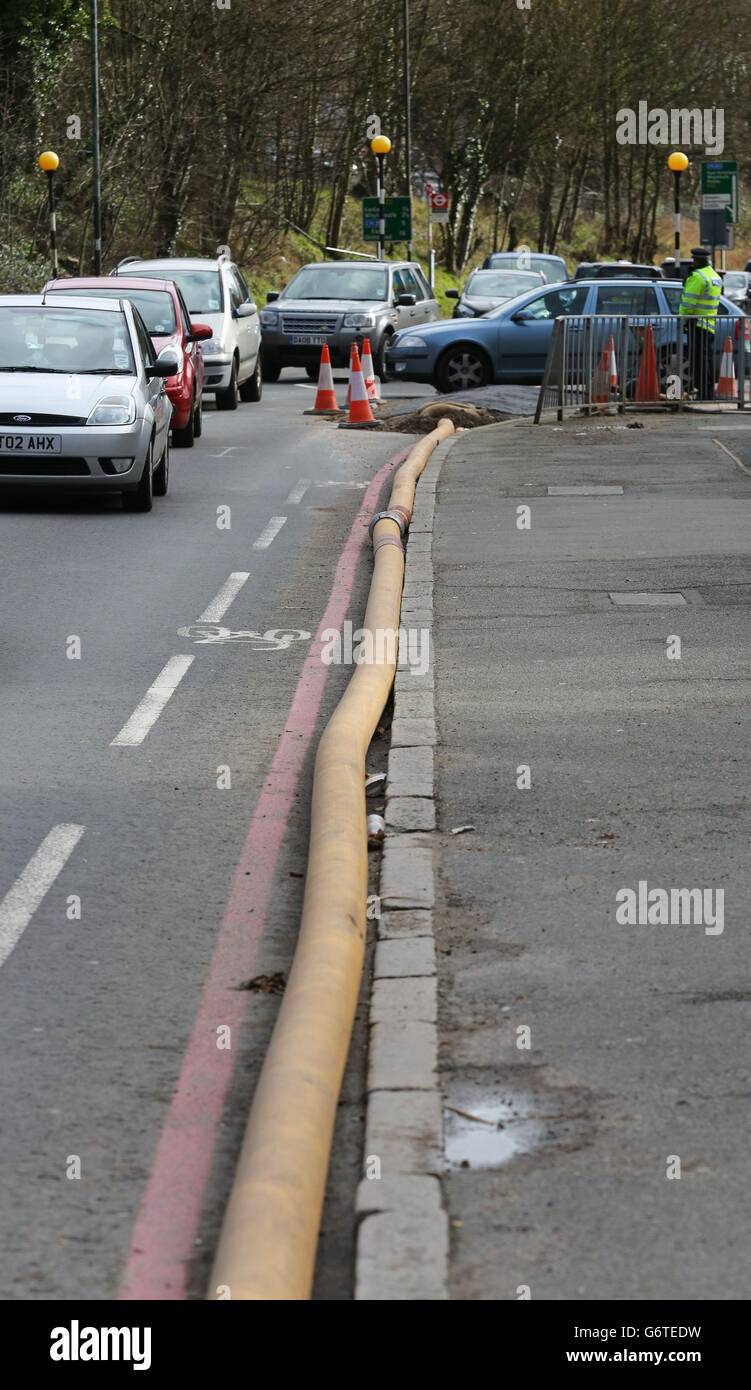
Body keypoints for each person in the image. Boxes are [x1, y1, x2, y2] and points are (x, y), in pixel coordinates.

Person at [678, 247, 722, 398]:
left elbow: (688, 304)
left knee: (699, 361)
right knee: (707, 360)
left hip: (696, 324)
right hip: (709, 325)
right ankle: (708, 393)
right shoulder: (714, 276)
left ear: (695, 259)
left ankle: (703, 393)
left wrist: (681, 321)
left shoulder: (697, 277)